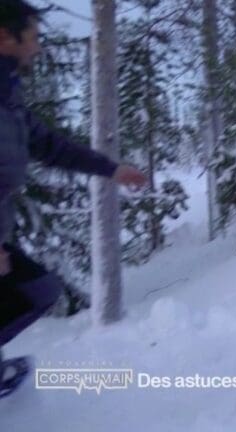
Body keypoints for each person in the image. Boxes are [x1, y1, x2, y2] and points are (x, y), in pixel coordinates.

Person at [0, 0, 148, 366]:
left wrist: (111, 169)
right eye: (32, 37)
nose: (38, 47)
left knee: (39, 290)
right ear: (5, 36)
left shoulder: (8, 99)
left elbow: (50, 146)